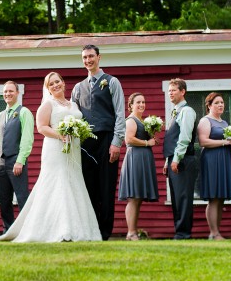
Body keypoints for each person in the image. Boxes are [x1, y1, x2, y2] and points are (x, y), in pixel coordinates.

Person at [0, 72, 101, 242]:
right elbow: (41, 127)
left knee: (73, 183)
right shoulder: (47, 104)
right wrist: (60, 136)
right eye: (51, 84)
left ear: (63, 83)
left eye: (57, 81)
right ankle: (59, 229)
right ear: (48, 88)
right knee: (58, 185)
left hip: (73, 151)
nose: (55, 85)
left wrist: (78, 132)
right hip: (55, 150)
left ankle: (79, 229)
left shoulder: (74, 105)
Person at [71, 44, 126, 240]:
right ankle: (91, 229)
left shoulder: (112, 82)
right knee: (88, 187)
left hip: (107, 139)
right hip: (86, 144)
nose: (88, 60)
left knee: (106, 186)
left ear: (99, 57)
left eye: (91, 56)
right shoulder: (78, 88)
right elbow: (73, 116)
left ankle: (104, 232)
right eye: (84, 57)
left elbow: (120, 113)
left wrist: (116, 142)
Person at [0, 81, 34, 232]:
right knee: (4, 200)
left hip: (16, 162)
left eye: (10, 91)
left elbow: (27, 139)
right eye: (5, 91)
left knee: (22, 198)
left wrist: (20, 161)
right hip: (1, 163)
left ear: (17, 92)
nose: (7, 94)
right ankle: (7, 230)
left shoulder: (24, 112)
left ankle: (26, 230)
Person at [197, 92, 231, 240]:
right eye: (217, 103)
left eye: (222, 102)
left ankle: (217, 232)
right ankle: (213, 233)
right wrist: (225, 142)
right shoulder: (205, 121)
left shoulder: (224, 123)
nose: (220, 105)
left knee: (221, 198)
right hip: (212, 161)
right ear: (209, 105)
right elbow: (203, 141)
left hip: (225, 159)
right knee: (214, 197)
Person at [118, 93, 159, 241]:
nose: (141, 104)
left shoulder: (143, 121)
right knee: (133, 197)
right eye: (138, 102)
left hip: (144, 158)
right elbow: (129, 139)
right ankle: (131, 232)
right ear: (131, 106)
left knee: (139, 197)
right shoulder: (131, 120)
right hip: (135, 158)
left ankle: (133, 231)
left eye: (143, 102)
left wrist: (152, 136)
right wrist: (148, 143)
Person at [162, 78, 198, 240]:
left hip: (184, 160)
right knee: (177, 198)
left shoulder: (187, 111)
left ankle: (184, 233)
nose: (170, 93)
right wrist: (167, 161)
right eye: (169, 91)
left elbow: (184, 137)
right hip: (174, 160)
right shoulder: (176, 111)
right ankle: (179, 231)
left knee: (183, 197)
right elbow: (173, 138)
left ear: (182, 92)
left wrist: (176, 159)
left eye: (173, 90)